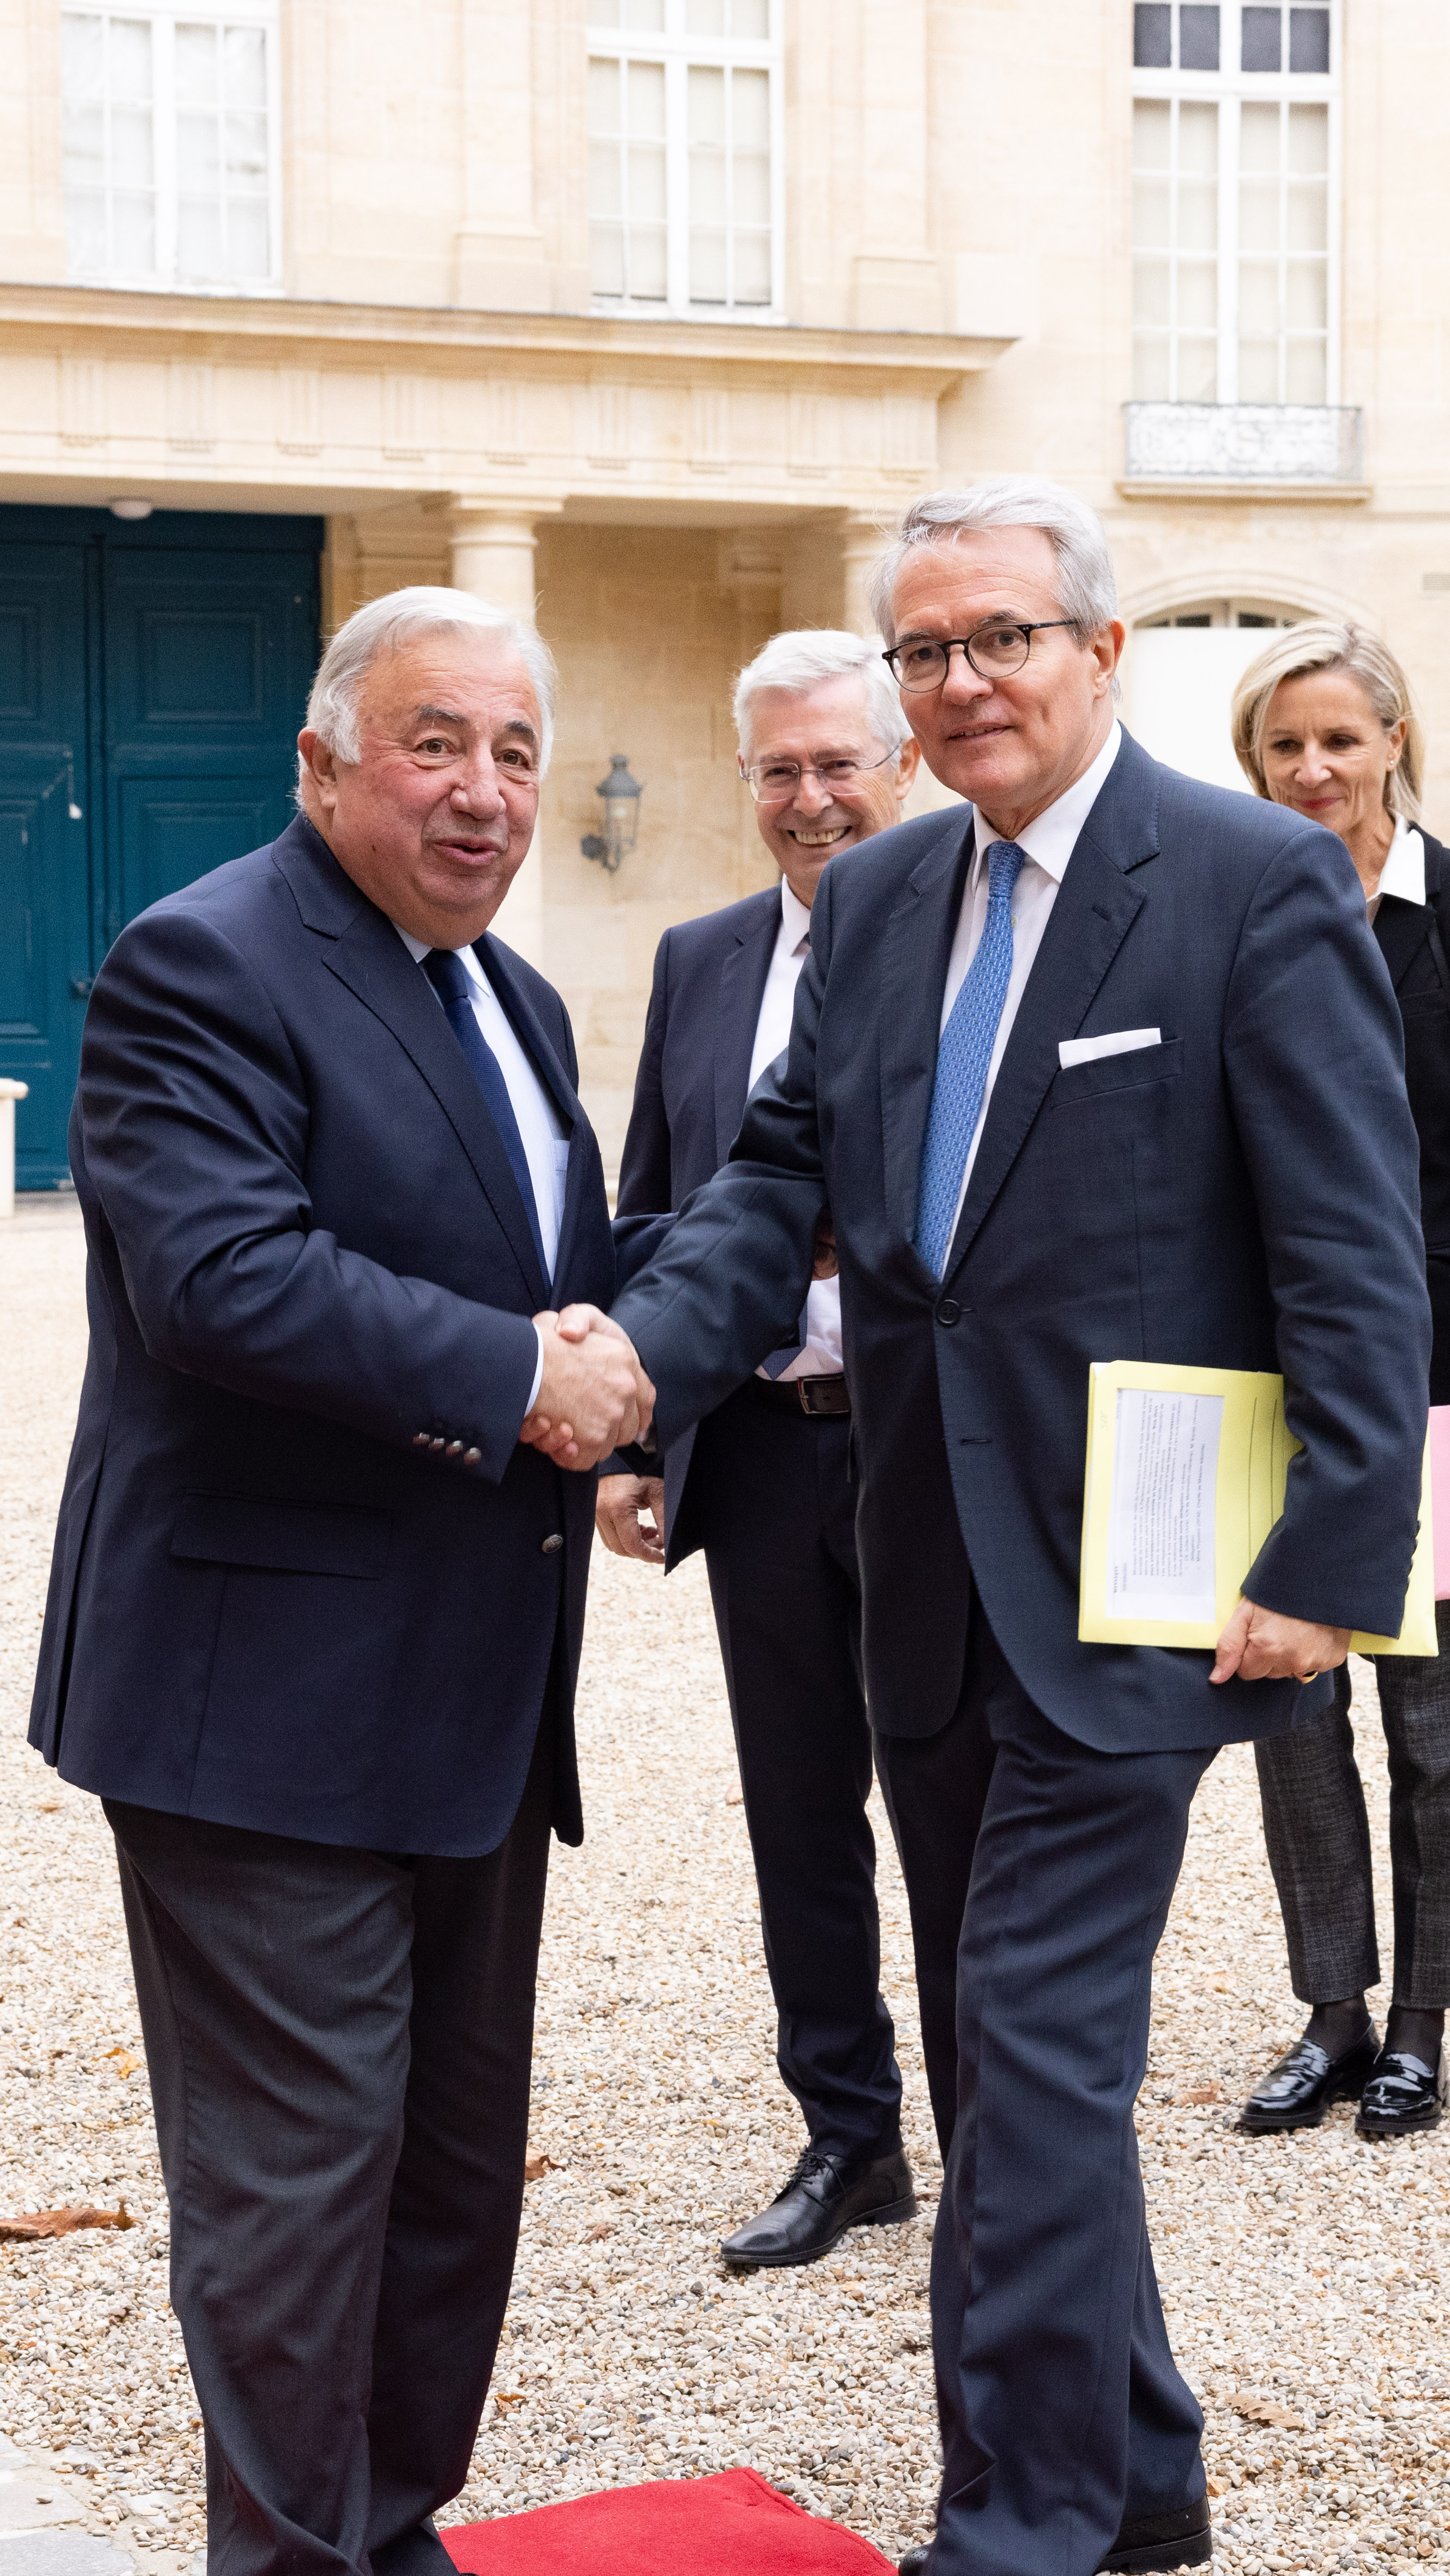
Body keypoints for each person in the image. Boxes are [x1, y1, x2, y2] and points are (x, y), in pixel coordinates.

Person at [606, 479, 1427, 2576]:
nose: (959, 681)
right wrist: (634, 1364)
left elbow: (1352, 1244)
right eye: (924, 650)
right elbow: (769, 1176)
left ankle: (1011, 2565)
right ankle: (1137, 2456)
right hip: (919, 1574)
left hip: (1154, 1578)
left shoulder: (1246, 879)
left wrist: (1332, 1559)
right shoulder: (871, 896)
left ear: (1100, 652)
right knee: (994, 2054)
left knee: (1038, 2059)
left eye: (999, 640)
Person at [27, 588, 649, 2576]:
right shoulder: (204, 964)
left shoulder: (507, 992)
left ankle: (385, 2549)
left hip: (468, 1687)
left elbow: (534, 1284)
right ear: (321, 766)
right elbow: (218, 1281)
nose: (482, 790)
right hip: (253, 1696)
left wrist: (611, 1423)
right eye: (431, 745)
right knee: (290, 2193)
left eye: (512, 744)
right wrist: (521, 1379)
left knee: (443, 2167)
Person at [601, 631, 926, 2266]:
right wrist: (634, 1442)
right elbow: (653, 1202)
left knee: (964, 1818)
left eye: (838, 764)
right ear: (747, 783)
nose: (812, 800)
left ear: (904, 765)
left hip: (939, 1455)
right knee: (799, 1815)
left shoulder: (979, 937)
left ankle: (1009, 2154)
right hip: (770, 1451)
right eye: (780, 771)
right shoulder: (702, 957)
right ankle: (849, 2140)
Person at [1219, 619, 1450, 2141]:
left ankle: (1424, 2021)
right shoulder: (1224, 902)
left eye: (1339, 740)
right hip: (1256, 1362)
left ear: (1396, 742)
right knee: (1287, 1710)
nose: (1312, 769)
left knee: (1436, 1717)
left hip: (1432, 1359)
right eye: (1284, 745)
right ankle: (1333, 2012)